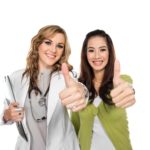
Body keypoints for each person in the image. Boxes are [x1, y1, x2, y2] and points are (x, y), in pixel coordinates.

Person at [0, 25, 88, 150]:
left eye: (59, 46)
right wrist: (7, 115)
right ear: (38, 44)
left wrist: (82, 92)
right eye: (48, 42)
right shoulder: (16, 78)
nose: (53, 49)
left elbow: (80, 90)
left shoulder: (66, 77)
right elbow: (5, 113)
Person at [71, 29, 135, 150]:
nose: (97, 56)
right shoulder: (79, 87)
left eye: (102, 49)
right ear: (85, 55)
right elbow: (74, 127)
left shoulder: (121, 80)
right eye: (91, 50)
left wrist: (129, 92)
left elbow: (128, 90)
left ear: (109, 52)